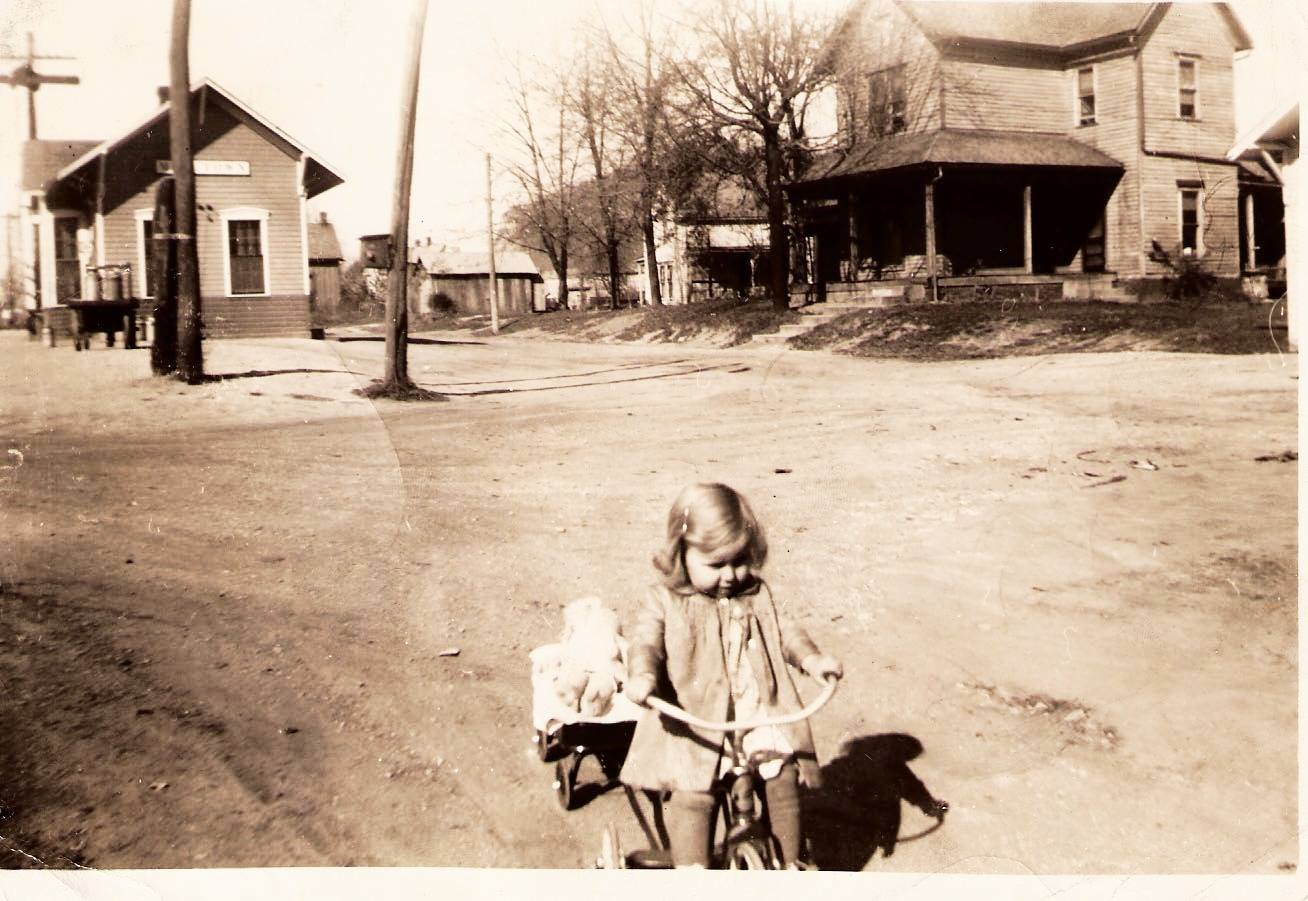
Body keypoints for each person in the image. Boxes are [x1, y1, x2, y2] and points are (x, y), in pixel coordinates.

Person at [620, 482, 843, 868]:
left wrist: (812, 660)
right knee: (695, 795)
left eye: (739, 561)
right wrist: (642, 676)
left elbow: (786, 630)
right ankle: (694, 873)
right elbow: (646, 642)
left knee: (783, 777)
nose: (730, 575)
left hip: (756, 711)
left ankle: (791, 865)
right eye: (716, 564)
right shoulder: (665, 600)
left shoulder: (755, 592)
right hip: (697, 721)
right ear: (681, 553)